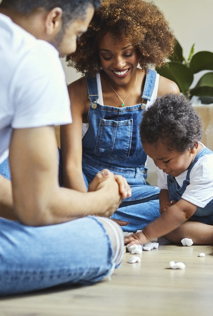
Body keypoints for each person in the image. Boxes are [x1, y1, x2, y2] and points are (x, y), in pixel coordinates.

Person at [0, 0, 130, 296]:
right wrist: (100, 202)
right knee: (106, 238)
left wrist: (72, 205)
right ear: (54, 19)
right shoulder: (34, 55)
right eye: (78, 34)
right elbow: (37, 207)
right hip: (43, 202)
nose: (72, 48)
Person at [61, 0, 180, 232]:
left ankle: (90, 223)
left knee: (174, 208)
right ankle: (91, 221)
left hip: (133, 189)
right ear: (93, 53)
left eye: (127, 53)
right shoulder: (77, 93)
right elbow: (71, 166)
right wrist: (89, 207)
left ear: (142, 48)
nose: (119, 64)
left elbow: (178, 158)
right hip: (85, 185)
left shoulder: (166, 91)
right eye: (107, 56)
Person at [125, 94, 213, 257]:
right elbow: (164, 188)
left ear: (192, 147)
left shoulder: (206, 167)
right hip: (197, 219)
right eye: (155, 160)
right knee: (170, 229)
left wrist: (145, 235)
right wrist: (165, 206)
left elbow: (183, 211)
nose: (160, 166)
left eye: (165, 161)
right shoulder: (165, 164)